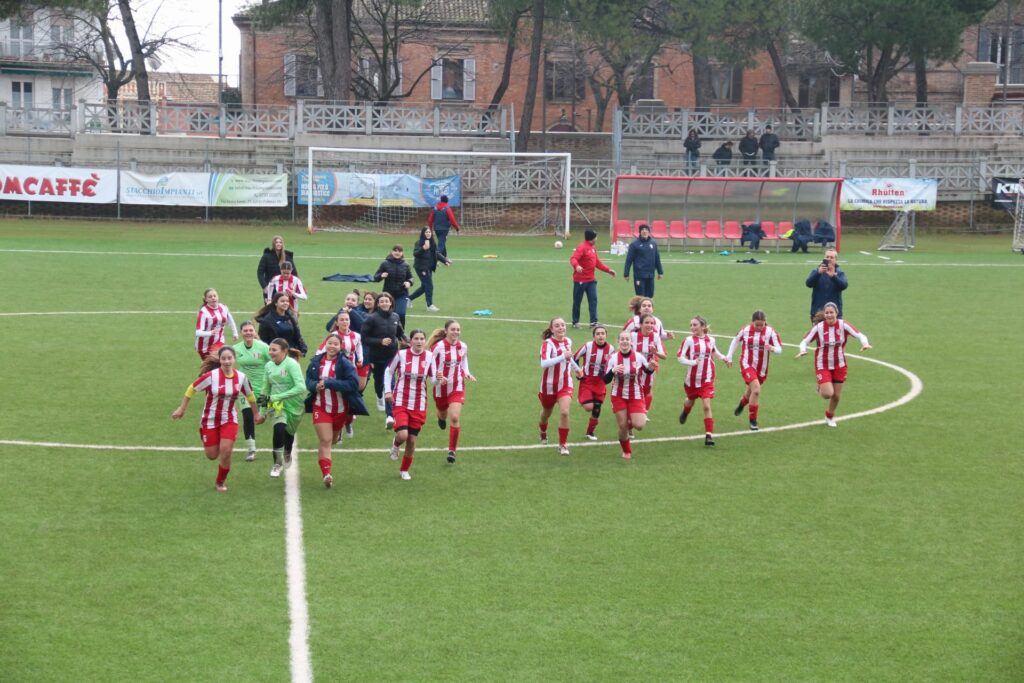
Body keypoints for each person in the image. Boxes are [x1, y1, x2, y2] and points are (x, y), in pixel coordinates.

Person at [171, 346, 263, 492]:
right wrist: (182, 408)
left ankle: (220, 482)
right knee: (212, 455)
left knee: (226, 451)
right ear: (220, 360)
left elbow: (250, 396)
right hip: (210, 419)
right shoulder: (211, 376)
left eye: (229, 358)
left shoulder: (241, 378)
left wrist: (256, 414)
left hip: (229, 419)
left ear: (234, 359)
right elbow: (192, 388)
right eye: (223, 358)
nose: (227, 361)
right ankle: (206, 435)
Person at [306, 332, 366, 488]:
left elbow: (353, 384)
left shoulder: (345, 364)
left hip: (340, 409)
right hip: (320, 406)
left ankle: (337, 437)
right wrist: (314, 386)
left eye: (335, 344)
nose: (332, 346)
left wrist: (331, 383)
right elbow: (308, 381)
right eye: (329, 343)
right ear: (325, 344)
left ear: (340, 347)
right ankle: (326, 474)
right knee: (325, 441)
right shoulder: (315, 362)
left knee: (331, 441)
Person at [796, 302, 871, 427]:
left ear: (837, 313)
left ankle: (829, 416)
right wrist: (802, 350)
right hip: (822, 364)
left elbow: (859, 335)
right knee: (827, 394)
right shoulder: (818, 328)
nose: (829, 315)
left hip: (839, 364)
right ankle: (820, 385)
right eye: (827, 313)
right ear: (824, 315)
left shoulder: (843, 325)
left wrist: (865, 343)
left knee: (836, 396)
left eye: (831, 312)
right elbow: (804, 341)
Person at [385, 329, 436, 480]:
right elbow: (388, 372)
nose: (419, 341)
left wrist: (440, 379)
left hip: (419, 403)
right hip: (400, 399)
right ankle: (395, 444)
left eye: (422, 339)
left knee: (412, 440)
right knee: (403, 434)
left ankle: (404, 470)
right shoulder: (401, 355)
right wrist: (388, 391)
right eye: (416, 339)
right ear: (411, 341)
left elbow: (433, 380)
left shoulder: (429, 357)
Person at [725, 310, 782, 431]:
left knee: (750, 392)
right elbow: (735, 341)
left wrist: (772, 348)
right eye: (757, 325)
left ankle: (742, 403)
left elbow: (779, 349)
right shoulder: (745, 330)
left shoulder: (770, 332)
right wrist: (729, 356)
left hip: (762, 368)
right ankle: (753, 421)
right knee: (756, 390)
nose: (760, 327)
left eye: (762, 324)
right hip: (747, 364)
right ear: (752, 322)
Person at [428, 320, 476, 463]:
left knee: (454, 417)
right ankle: (441, 418)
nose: (456, 332)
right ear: (446, 330)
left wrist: (467, 372)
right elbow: (431, 368)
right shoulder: (437, 347)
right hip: (440, 388)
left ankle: (452, 451)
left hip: (457, 385)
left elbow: (463, 361)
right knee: (442, 414)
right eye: (453, 329)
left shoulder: (463, 346)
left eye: (458, 330)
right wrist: (437, 378)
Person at [677, 315, 729, 446]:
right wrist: (693, 362)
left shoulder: (711, 340)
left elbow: (714, 352)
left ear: (703, 326)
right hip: (692, 380)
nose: (692, 327)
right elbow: (680, 357)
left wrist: (724, 358)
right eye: (691, 325)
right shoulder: (688, 340)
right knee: (690, 401)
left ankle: (709, 435)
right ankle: (685, 411)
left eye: (695, 325)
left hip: (707, 377)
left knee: (706, 405)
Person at [603, 330, 654, 460]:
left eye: (627, 339)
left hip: (635, 394)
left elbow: (648, 371)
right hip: (618, 395)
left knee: (640, 425)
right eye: (622, 339)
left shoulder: (638, 357)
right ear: (618, 342)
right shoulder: (613, 358)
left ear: (631, 342)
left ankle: (631, 418)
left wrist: (652, 367)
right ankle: (626, 451)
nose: (625, 341)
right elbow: (605, 380)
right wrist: (613, 371)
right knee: (623, 426)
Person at [261, 337, 307, 478]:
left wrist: (277, 396)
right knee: (278, 429)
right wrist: (262, 412)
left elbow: (301, 387)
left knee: (289, 433)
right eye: (270, 349)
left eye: (274, 350)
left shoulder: (292, 365)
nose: (270, 352)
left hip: (294, 405)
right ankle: (277, 463)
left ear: (284, 351)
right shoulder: (268, 366)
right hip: (277, 405)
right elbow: (265, 389)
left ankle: (287, 451)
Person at [361, 292, 406, 424]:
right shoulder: (371, 318)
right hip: (376, 357)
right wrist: (380, 341)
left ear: (391, 302)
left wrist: (406, 340)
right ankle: (379, 395)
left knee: (391, 384)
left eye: (387, 301)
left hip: (392, 356)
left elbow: (400, 333)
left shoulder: (396, 316)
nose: (385, 303)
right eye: (382, 301)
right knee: (379, 382)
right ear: (378, 304)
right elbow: (364, 338)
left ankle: (390, 415)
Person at [320, 309, 366, 437]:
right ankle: (338, 431)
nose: (344, 322)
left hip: (351, 371)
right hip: (337, 370)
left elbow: (359, 347)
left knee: (350, 398)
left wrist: (360, 358)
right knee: (338, 399)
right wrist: (319, 362)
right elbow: (321, 350)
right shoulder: (334, 335)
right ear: (337, 322)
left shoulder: (356, 336)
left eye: (347, 319)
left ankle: (348, 422)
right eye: (342, 320)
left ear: (350, 321)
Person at [538, 318, 580, 455]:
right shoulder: (547, 344)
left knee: (564, 412)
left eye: (562, 325)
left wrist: (577, 368)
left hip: (565, 383)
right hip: (548, 386)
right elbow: (544, 363)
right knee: (546, 413)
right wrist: (562, 356)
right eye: (557, 326)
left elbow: (569, 357)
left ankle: (563, 444)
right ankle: (543, 431)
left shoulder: (568, 341)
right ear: (552, 329)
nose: (561, 327)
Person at [232, 320, 271, 460]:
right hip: (245, 391)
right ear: (241, 332)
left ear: (254, 332)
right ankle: (251, 449)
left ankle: (284, 444)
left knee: (276, 413)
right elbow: (227, 364)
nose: (248, 332)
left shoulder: (263, 347)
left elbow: (274, 363)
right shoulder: (236, 349)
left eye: (250, 330)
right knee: (248, 417)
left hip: (264, 390)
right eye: (245, 330)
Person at [569, 229, 616, 329]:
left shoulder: (592, 247)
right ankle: (575, 322)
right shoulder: (581, 247)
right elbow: (573, 258)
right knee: (577, 301)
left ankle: (593, 322)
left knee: (593, 300)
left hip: (591, 280)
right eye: (596, 236)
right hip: (580, 280)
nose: (597, 238)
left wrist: (608, 270)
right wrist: (576, 266)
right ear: (592, 238)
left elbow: (597, 263)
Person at [572, 324, 612, 441]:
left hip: (600, 382)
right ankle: (582, 399)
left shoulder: (611, 349)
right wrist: (579, 371)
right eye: (598, 334)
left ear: (606, 335)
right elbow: (574, 358)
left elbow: (613, 364)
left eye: (602, 333)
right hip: (587, 380)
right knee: (589, 407)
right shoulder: (588, 346)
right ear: (594, 336)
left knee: (597, 407)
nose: (600, 336)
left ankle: (590, 432)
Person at [409, 226, 451, 313]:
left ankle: (408, 299)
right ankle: (429, 305)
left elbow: (436, 253)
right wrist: (423, 248)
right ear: (423, 233)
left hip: (429, 268)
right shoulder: (419, 243)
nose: (428, 233)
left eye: (429, 232)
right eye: (426, 232)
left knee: (424, 287)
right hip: (421, 268)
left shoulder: (432, 242)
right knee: (429, 286)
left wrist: (445, 260)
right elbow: (415, 254)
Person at [631, 313, 666, 412]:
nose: (650, 325)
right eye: (647, 322)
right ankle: (635, 412)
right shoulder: (633, 336)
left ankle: (641, 412)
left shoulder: (655, 337)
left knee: (645, 392)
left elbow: (664, 356)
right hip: (634, 370)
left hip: (649, 371)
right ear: (641, 324)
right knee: (633, 391)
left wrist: (656, 352)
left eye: (652, 323)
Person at [373, 245, 414, 329]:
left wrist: (409, 282)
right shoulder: (385, 263)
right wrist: (381, 275)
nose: (397, 252)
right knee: (387, 314)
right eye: (395, 250)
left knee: (401, 314)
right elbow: (375, 278)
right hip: (388, 295)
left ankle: (401, 334)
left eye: (399, 251)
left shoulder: (405, 265)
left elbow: (411, 277)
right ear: (392, 252)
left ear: (402, 253)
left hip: (402, 294)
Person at [256, 292, 307, 357]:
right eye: (282, 301)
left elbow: (297, 335)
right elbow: (263, 341)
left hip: (290, 355)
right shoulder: (267, 320)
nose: (286, 303)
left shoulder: (290, 317)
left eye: (287, 301)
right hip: (274, 356)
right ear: (275, 303)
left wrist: (303, 350)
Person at [195, 288, 238, 361]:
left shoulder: (223, 307)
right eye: (210, 297)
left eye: (215, 296)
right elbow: (198, 332)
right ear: (206, 299)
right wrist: (210, 333)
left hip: (219, 340)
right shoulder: (203, 313)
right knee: (208, 368)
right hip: (204, 346)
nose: (213, 298)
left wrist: (235, 333)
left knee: (218, 361)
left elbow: (230, 319)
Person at [805, 248, 848, 321]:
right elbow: (808, 283)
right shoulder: (816, 271)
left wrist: (833, 277)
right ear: (824, 258)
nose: (829, 259)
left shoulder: (840, 273)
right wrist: (818, 273)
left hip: (834, 313)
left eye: (831, 257)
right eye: (827, 257)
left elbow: (844, 285)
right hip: (818, 312)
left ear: (835, 260)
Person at [623, 224, 664, 297]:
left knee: (650, 296)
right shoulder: (634, 244)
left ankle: (647, 308)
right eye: (642, 230)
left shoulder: (653, 243)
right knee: (640, 297)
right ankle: (639, 308)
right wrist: (626, 273)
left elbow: (657, 258)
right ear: (640, 232)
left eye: (646, 230)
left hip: (650, 275)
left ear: (649, 232)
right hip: (639, 275)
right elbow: (629, 260)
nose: (644, 231)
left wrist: (660, 272)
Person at [257, 235, 298, 300]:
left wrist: (294, 287)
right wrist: (264, 287)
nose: (278, 244)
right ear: (273, 244)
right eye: (276, 242)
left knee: (284, 309)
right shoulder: (266, 256)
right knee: (270, 309)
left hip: (285, 289)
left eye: (280, 242)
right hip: (270, 288)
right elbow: (260, 273)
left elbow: (295, 274)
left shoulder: (288, 257)